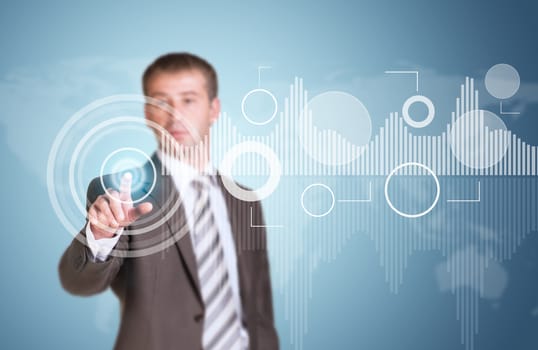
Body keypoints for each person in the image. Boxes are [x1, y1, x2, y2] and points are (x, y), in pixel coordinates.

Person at [58, 52, 279, 350]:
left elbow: (259, 308)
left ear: (214, 109)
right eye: (161, 101)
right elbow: (78, 281)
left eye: (188, 100)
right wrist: (101, 234)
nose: (175, 115)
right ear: (147, 112)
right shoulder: (119, 193)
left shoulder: (245, 200)